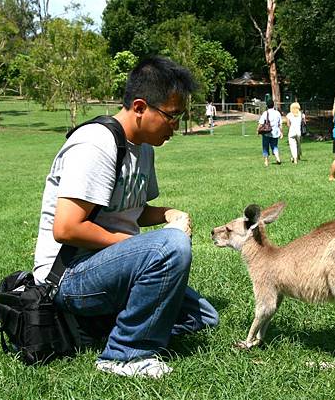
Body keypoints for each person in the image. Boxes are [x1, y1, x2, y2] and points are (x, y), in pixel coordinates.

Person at [33, 56, 219, 379]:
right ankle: (123, 355)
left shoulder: (144, 147)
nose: (176, 127)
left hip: (108, 269)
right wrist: (133, 244)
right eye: (172, 117)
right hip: (69, 275)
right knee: (170, 248)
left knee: (203, 317)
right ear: (139, 107)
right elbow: (66, 227)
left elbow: (132, 209)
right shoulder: (97, 144)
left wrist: (167, 214)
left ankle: (111, 322)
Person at [257, 99, 283, 166]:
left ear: (267, 105)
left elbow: (261, 123)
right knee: (275, 146)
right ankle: (277, 158)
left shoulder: (265, 113)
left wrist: (258, 130)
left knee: (265, 147)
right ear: (273, 105)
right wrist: (281, 132)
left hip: (266, 133)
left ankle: (266, 161)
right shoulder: (277, 113)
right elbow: (280, 124)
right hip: (275, 133)